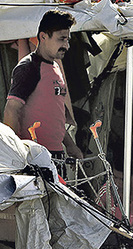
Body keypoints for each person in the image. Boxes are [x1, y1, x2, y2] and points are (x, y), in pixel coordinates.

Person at [3, 10, 83, 160]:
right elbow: (11, 110)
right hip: (34, 157)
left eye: (67, 40)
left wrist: (70, 146)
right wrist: (15, 154)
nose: (66, 46)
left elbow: (56, 114)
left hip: (56, 154)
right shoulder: (29, 67)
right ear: (43, 37)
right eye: (61, 39)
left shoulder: (55, 67)